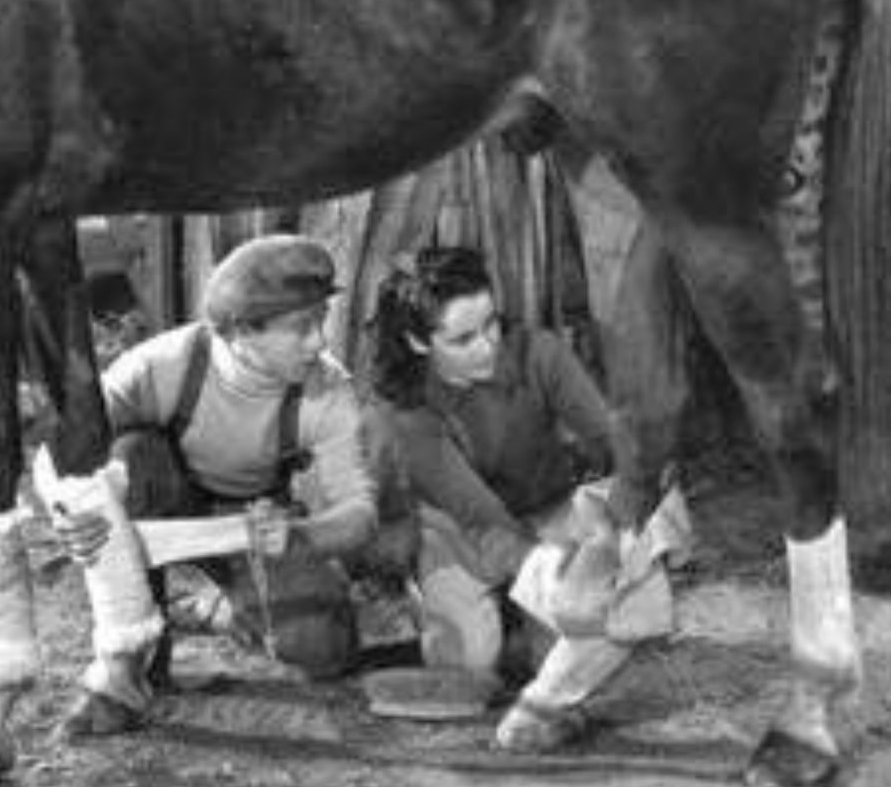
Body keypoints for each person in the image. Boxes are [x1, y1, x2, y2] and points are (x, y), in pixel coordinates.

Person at [364, 245, 690, 752]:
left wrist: (626, 516)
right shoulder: (405, 412)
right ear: (417, 342)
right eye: (463, 339)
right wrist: (561, 584)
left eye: (492, 324)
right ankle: (441, 596)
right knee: (469, 668)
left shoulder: (539, 352)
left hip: (551, 508)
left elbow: (611, 444)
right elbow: (484, 519)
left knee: (582, 629)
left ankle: (530, 630)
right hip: (465, 530)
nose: (488, 346)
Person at [51, 234, 378, 735]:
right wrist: (68, 512)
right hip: (165, 502)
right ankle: (132, 657)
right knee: (131, 455)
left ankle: (222, 610)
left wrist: (301, 535)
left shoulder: (327, 388)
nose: (321, 343)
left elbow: (360, 512)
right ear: (241, 332)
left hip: (254, 521)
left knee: (325, 651)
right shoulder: (161, 366)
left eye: (321, 322)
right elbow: (62, 448)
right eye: (301, 328)